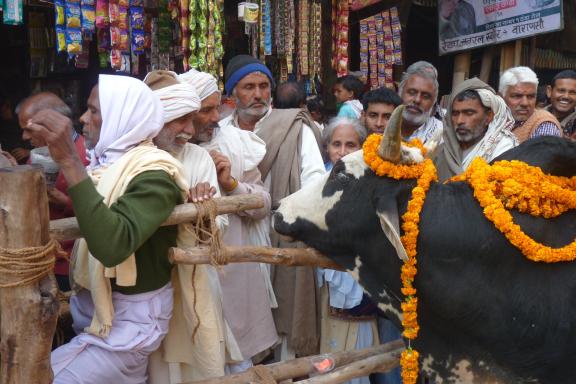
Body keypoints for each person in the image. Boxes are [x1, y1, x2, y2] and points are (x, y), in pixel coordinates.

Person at [25, 74, 189, 383]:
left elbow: (113, 246)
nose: (84, 119)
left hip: (129, 328)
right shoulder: (107, 166)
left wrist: (70, 162)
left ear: (122, 116)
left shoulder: (154, 174)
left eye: (94, 111)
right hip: (98, 316)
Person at [223, 54, 325, 361]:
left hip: (282, 238)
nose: (258, 94)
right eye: (248, 87)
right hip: (236, 243)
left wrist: (279, 213)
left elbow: (316, 184)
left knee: (283, 337)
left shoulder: (294, 128)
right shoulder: (219, 133)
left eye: (264, 86)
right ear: (231, 95)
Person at [179, 67, 279, 374]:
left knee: (241, 368)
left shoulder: (235, 143)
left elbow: (264, 202)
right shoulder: (161, 154)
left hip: (234, 275)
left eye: (215, 108)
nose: (214, 118)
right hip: (186, 279)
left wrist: (232, 184)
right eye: (205, 110)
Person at [143, 70, 238, 382]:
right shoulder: (131, 158)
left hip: (195, 280)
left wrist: (201, 212)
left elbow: (216, 230)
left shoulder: (198, 157)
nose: (188, 128)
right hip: (144, 286)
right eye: (179, 119)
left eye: (189, 117)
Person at [319, 117, 378, 384]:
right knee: (327, 354)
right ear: (327, 147)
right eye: (336, 144)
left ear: (362, 147)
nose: (342, 152)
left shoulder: (373, 183)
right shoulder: (315, 182)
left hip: (361, 284)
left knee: (357, 362)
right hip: (325, 284)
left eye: (350, 144)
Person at [17, 92, 90, 291]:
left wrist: (65, 202)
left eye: (29, 130)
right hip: (39, 260)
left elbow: (102, 213)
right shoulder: (37, 156)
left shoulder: (88, 155)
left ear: (51, 123)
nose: (24, 137)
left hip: (70, 266)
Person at [435, 78, 518, 182]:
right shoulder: (441, 148)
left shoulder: (503, 147)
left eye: (469, 113)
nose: (460, 121)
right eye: (455, 114)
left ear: (489, 117)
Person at [499, 66, 562, 143]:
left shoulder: (545, 125)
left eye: (531, 96)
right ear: (501, 97)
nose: (525, 103)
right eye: (517, 96)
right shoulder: (492, 120)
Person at [398, 61, 444, 144]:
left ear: (433, 103)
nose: (417, 100)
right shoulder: (381, 124)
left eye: (426, 96)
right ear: (400, 93)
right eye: (412, 92)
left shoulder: (442, 135)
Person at [545, 69, 576, 137]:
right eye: (561, 91)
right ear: (549, 91)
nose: (566, 96)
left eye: (572, 92)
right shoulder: (533, 118)